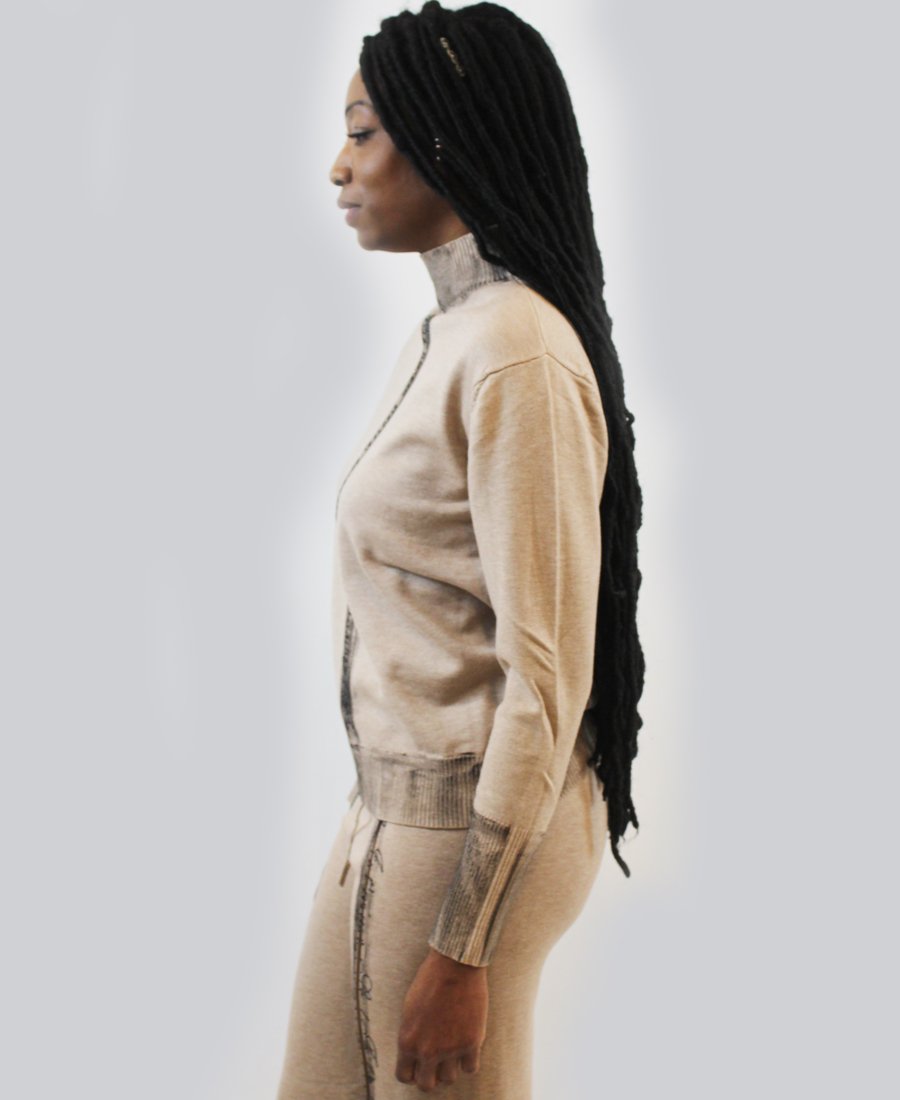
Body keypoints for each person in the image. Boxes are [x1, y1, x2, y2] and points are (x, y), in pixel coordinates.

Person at [275, 2, 645, 1096]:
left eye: (363, 131)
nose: (340, 166)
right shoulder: (453, 333)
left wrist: (464, 945)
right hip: (387, 811)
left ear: (445, 140)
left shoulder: (517, 351)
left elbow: (548, 675)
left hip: (468, 833)